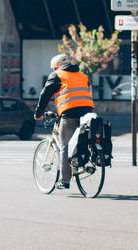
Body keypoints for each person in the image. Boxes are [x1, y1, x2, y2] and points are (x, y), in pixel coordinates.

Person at [34, 54, 94, 190]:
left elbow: (44, 95)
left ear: (57, 66)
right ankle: (86, 163)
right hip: (88, 113)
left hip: (69, 114)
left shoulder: (57, 75)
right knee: (84, 139)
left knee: (64, 146)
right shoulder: (83, 75)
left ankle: (64, 181)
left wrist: (38, 113)